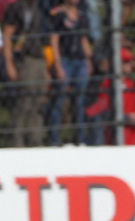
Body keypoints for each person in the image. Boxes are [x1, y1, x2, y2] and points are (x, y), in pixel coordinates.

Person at [2, 0, 48, 147]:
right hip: (25, 58)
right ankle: (16, 140)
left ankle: (35, 140)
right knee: (24, 101)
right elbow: (7, 35)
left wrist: (46, 68)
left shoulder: (40, 8)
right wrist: (9, 63)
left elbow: (44, 39)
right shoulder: (17, 8)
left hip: (39, 58)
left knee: (38, 102)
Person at [48, 0, 92, 144]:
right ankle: (53, 138)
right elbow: (54, 39)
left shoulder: (82, 16)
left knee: (79, 102)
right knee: (59, 99)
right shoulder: (58, 14)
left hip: (79, 61)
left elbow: (83, 39)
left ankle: (80, 138)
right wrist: (58, 64)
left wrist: (88, 60)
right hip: (65, 60)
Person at [84, 46, 135, 143]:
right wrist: (126, 118)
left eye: (130, 62)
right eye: (125, 62)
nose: (130, 65)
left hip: (133, 136)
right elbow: (103, 113)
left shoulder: (130, 83)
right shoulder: (108, 83)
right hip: (115, 136)